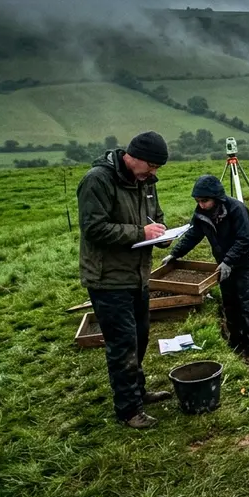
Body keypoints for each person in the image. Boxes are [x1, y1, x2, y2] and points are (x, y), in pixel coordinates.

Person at [78, 131, 173, 429]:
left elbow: (153, 215)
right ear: (134, 157)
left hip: (137, 275)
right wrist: (140, 234)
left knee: (140, 337)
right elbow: (94, 228)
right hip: (108, 278)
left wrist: (162, 232)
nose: (154, 173)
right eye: (152, 166)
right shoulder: (98, 180)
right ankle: (128, 410)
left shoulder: (145, 182)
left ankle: (138, 392)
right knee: (122, 344)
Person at [162, 174, 249, 357]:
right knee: (230, 304)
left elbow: (245, 239)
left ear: (217, 198)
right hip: (224, 262)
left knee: (248, 305)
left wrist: (228, 261)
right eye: (198, 201)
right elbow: (193, 235)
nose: (201, 205)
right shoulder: (201, 214)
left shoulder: (236, 209)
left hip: (247, 261)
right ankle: (235, 342)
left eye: (205, 200)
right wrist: (174, 253)